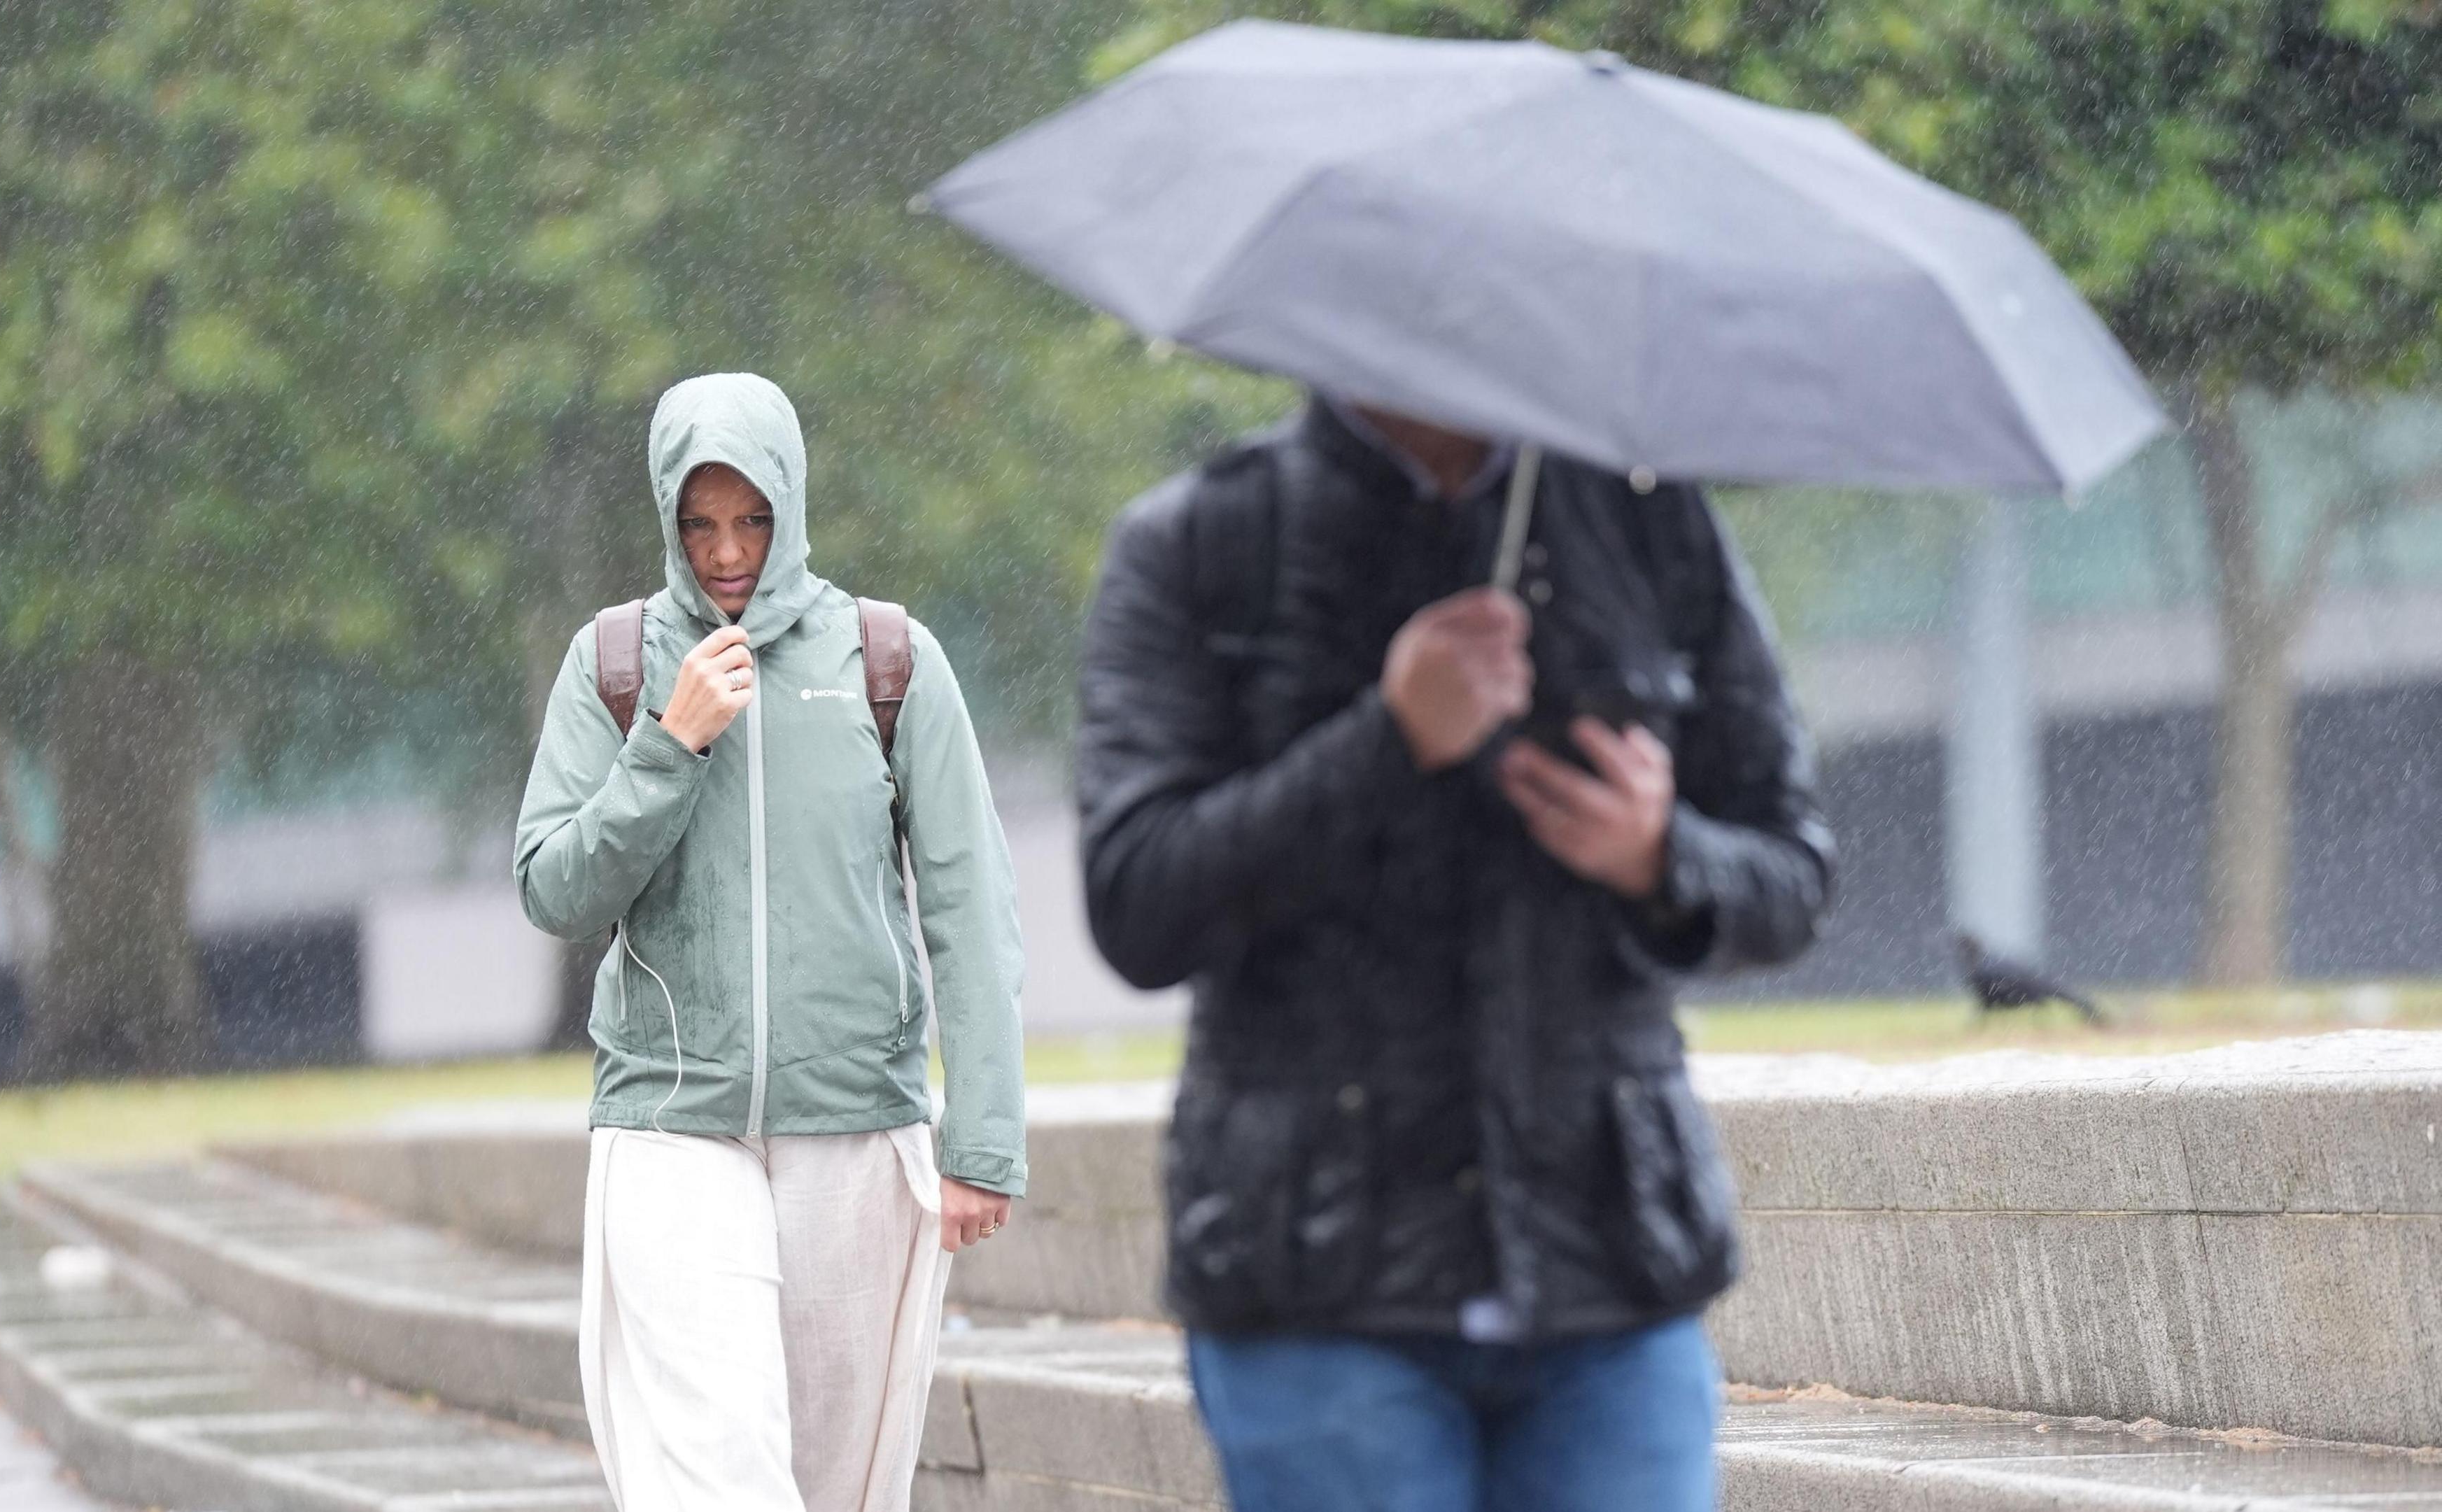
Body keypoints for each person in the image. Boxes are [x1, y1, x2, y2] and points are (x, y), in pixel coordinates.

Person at [1075, 395, 1835, 1512]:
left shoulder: (1652, 524)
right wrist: (1387, 739)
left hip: (1609, 1283)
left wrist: (1661, 854)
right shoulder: (1203, 541)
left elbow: (1793, 872)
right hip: (1318, 1295)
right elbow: (1139, 899)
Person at [514, 372, 1028, 1512]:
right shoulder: (612, 664)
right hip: (669, 1122)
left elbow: (969, 906)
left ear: (790, 506)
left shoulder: (888, 661)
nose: (728, 552)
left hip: (855, 1124)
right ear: (665, 516)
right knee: (724, 1474)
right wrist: (668, 744)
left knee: (838, 1487)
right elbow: (552, 887)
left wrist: (982, 1136)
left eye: (752, 519)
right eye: (700, 523)